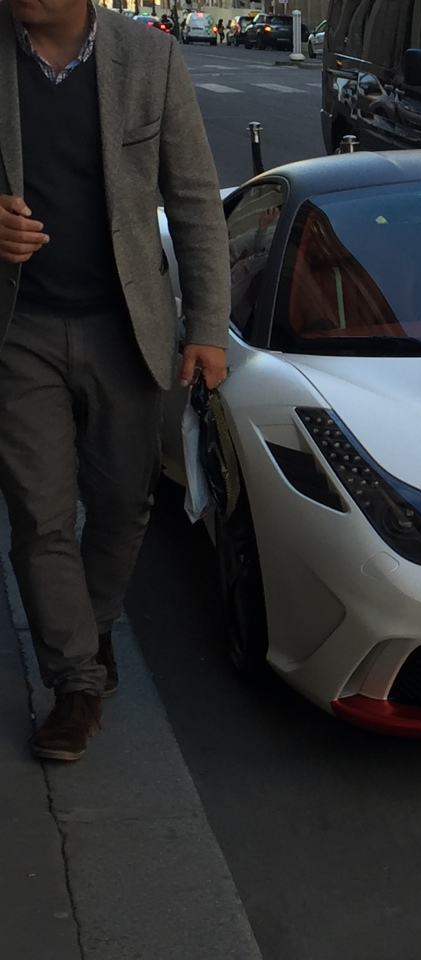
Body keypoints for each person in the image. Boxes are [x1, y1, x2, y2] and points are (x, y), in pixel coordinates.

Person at [0, 0, 230, 761]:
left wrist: (205, 328)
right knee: (39, 515)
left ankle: (88, 626)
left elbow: (195, 200)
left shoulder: (150, 59)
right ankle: (74, 685)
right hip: (18, 331)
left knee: (124, 505)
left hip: (125, 328)